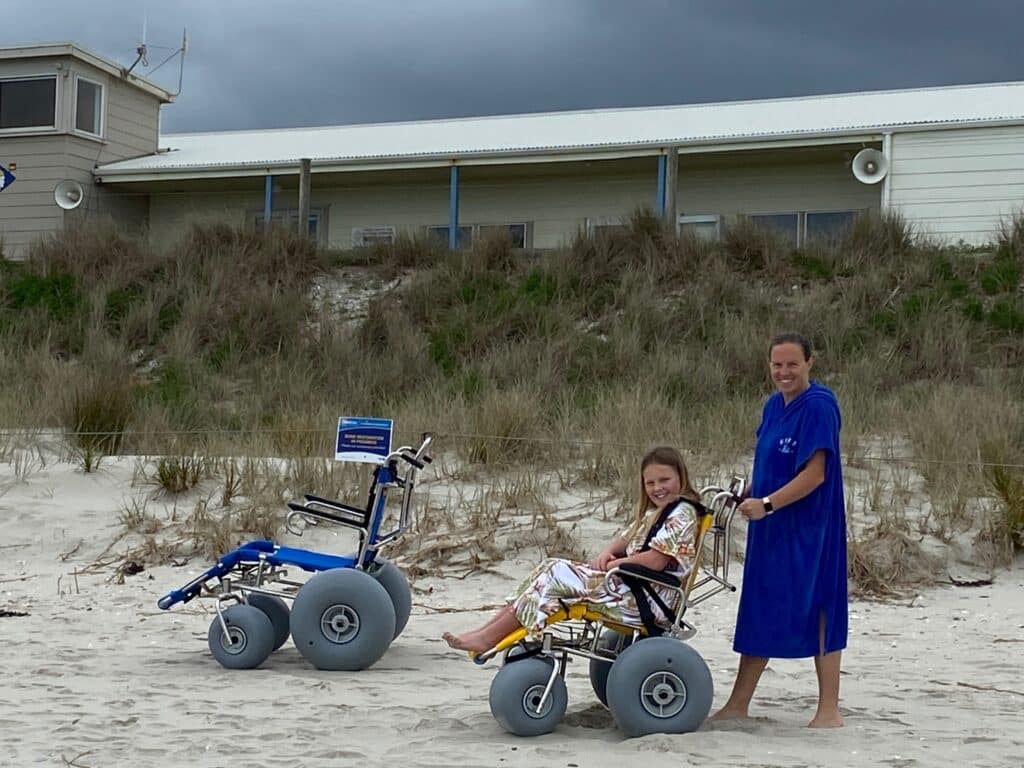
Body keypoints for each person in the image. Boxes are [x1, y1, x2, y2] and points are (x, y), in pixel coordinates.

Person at [712, 332, 848, 728]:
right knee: (760, 603)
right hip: (769, 527)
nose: (784, 372)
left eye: (792, 364)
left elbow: (816, 474)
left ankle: (828, 709)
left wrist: (768, 504)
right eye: (777, 364)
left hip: (811, 527)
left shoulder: (819, 406)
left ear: (809, 363)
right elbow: (771, 466)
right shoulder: (773, 406)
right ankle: (738, 703)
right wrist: (747, 494)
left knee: (821, 603)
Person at [442, 446, 701, 653]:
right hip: (632, 586)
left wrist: (613, 566)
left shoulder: (682, 513)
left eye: (665, 480)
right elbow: (626, 539)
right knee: (549, 566)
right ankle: (485, 632)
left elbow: (656, 561)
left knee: (555, 575)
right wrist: (605, 553)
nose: (657, 488)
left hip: (647, 598)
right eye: (650, 483)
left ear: (681, 477)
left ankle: (487, 638)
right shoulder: (658, 512)